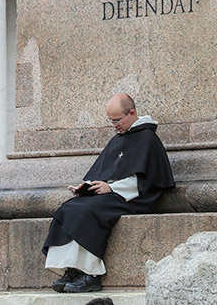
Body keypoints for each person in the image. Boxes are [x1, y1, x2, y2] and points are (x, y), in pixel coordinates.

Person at [42, 93, 174, 293]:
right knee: (68, 208)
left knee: (90, 211)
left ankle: (91, 275)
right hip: (112, 195)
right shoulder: (120, 137)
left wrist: (112, 187)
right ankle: (73, 269)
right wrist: (86, 187)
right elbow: (106, 170)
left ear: (131, 113)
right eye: (110, 121)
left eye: (117, 120)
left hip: (135, 198)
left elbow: (148, 180)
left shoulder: (147, 139)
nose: (114, 126)